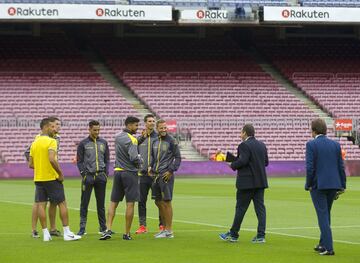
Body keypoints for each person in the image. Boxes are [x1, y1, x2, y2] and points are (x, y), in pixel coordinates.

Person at [28, 117, 81, 242]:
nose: (55, 129)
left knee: (41, 205)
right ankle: (67, 232)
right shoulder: (51, 141)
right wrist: (60, 173)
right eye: (52, 126)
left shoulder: (34, 143)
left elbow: (30, 164)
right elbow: (52, 159)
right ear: (46, 127)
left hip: (39, 178)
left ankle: (46, 234)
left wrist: (41, 166)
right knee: (62, 203)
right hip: (51, 178)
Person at [219, 124, 269, 243]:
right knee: (260, 209)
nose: (240, 135)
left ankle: (233, 234)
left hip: (246, 183)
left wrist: (232, 164)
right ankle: (261, 235)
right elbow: (266, 162)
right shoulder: (262, 145)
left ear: (245, 133)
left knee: (240, 208)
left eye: (241, 132)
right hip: (260, 182)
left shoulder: (243, 145)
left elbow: (243, 160)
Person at [305, 118, 346, 256]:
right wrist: (342, 185)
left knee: (322, 216)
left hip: (318, 185)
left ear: (314, 130)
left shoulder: (311, 144)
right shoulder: (335, 144)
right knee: (326, 214)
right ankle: (323, 244)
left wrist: (308, 184)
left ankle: (329, 248)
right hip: (334, 184)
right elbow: (341, 166)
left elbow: (310, 168)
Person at [100, 116, 142, 241]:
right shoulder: (132, 139)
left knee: (113, 202)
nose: (137, 128)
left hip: (118, 172)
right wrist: (141, 160)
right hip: (130, 173)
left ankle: (107, 230)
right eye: (135, 125)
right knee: (130, 204)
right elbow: (134, 157)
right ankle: (127, 233)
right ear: (129, 125)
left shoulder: (117, 136)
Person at [25, 116, 62, 238]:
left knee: (53, 202)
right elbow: (28, 152)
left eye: (58, 125)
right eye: (55, 124)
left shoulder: (57, 138)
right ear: (49, 126)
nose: (57, 127)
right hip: (44, 175)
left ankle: (52, 228)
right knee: (39, 202)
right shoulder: (39, 138)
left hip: (52, 175)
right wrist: (40, 166)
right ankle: (34, 229)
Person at [76, 120, 110, 236]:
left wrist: (105, 174)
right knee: (84, 203)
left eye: (98, 130)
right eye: (94, 130)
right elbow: (79, 161)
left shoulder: (103, 142)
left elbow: (107, 160)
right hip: (88, 177)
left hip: (101, 177)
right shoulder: (83, 144)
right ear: (89, 129)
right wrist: (84, 174)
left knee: (101, 204)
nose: (97, 132)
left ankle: (103, 227)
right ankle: (82, 228)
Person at [150, 119, 181, 239]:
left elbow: (178, 157)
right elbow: (153, 158)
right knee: (158, 201)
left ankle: (169, 231)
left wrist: (171, 170)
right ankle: (164, 228)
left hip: (165, 175)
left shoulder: (171, 141)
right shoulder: (155, 141)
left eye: (165, 128)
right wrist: (150, 167)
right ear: (157, 129)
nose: (163, 130)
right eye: (161, 128)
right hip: (155, 175)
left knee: (167, 202)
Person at [135, 114, 164, 234]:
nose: (152, 123)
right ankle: (142, 226)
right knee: (141, 201)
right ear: (145, 123)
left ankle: (162, 225)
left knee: (159, 200)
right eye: (149, 121)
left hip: (155, 175)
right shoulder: (139, 139)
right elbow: (133, 153)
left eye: (153, 121)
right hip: (142, 175)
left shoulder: (159, 138)